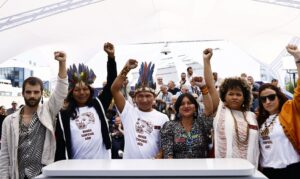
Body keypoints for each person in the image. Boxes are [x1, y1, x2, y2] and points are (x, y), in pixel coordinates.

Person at [0, 51, 68, 179]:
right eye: (29, 92)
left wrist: (62, 63)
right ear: (23, 93)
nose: (32, 95)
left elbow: (61, 92)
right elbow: (4, 155)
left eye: (36, 92)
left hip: (42, 174)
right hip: (18, 175)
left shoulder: (48, 111)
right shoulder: (9, 121)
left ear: (42, 93)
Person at [54, 42, 117, 160]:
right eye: (77, 90)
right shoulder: (64, 113)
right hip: (76, 168)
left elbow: (111, 83)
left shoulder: (98, 104)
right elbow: (60, 145)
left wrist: (111, 58)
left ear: (90, 90)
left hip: (102, 164)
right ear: (71, 92)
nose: (82, 93)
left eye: (85, 89)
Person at [203, 48, 259, 167]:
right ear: (224, 95)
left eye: (238, 94)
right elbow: (210, 86)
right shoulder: (220, 109)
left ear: (245, 97)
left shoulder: (252, 116)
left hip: (249, 171)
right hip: (224, 171)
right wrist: (206, 61)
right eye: (231, 94)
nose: (235, 97)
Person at [257, 44, 300, 179]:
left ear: (279, 96)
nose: (268, 102)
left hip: (292, 169)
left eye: (271, 97)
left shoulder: (290, 109)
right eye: (263, 99)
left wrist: (297, 59)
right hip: (268, 172)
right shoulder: (258, 119)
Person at [111, 59, 169, 159]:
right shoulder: (128, 111)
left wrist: (160, 154)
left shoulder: (163, 118)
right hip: (129, 168)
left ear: (154, 97)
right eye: (140, 96)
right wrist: (126, 68)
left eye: (148, 96)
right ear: (135, 98)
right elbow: (114, 89)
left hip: (153, 168)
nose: (144, 99)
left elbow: (167, 142)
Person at [160, 86, 214, 158]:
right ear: (177, 108)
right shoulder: (169, 126)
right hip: (178, 167)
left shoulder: (201, 123)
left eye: (189, 103)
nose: (186, 106)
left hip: (201, 167)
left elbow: (209, 111)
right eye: (182, 104)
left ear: (195, 107)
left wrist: (203, 87)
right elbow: (168, 153)